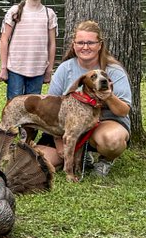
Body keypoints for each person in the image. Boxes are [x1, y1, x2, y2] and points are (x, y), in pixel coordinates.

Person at [37, 20, 132, 178]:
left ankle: (105, 160)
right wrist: (59, 142)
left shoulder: (114, 70)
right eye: (80, 42)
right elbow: (51, 107)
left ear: (100, 45)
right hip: (68, 127)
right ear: (74, 45)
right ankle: (80, 155)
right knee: (40, 162)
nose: (85, 47)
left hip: (103, 123)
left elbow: (123, 111)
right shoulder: (65, 68)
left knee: (112, 140)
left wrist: (108, 96)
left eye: (90, 42)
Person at [0, 0, 57, 101]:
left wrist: (49, 70)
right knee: (14, 104)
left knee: (33, 107)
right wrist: (3, 68)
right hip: (15, 67)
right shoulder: (15, 11)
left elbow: (52, 43)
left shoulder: (49, 14)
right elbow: (4, 40)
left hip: (38, 69)